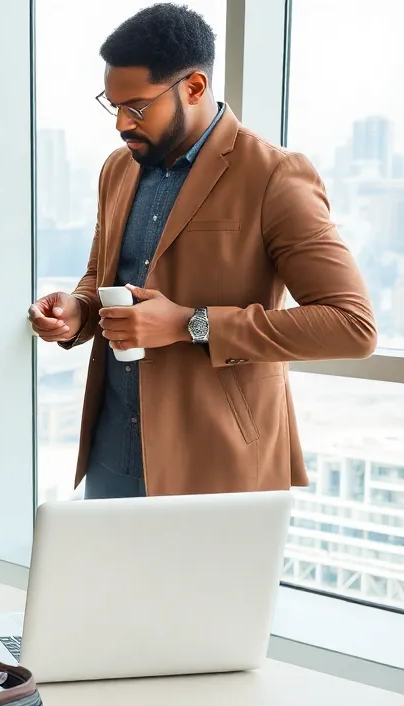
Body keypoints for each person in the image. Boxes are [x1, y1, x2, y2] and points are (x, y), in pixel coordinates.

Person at [28, 4, 375, 500]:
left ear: (194, 87)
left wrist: (190, 324)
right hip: (111, 453)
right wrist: (78, 311)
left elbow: (352, 325)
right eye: (114, 104)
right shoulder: (117, 169)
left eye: (137, 107)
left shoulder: (274, 175)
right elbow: (102, 272)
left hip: (218, 462)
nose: (121, 123)